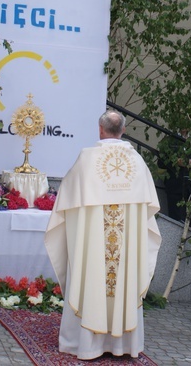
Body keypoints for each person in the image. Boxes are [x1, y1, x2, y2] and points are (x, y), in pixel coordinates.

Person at [44, 109, 161, 360]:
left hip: (95, 246)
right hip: (125, 247)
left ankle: (88, 345)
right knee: (124, 280)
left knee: (92, 276)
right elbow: (148, 210)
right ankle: (123, 345)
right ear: (124, 131)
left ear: (100, 129)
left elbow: (66, 203)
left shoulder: (87, 160)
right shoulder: (137, 163)